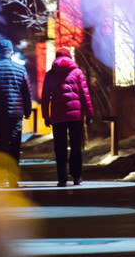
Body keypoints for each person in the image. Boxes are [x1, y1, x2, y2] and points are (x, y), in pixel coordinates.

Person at [0, 39, 32, 187]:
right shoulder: (21, 69)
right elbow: (26, 93)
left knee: (0, 145)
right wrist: (27, 111)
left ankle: (1, 178)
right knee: (15, 145)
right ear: (12, 53)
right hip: (15, 115)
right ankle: (14, 178)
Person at [41, 47, 93, 187]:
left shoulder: (50, 74)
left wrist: (46, 116)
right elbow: (84, 95)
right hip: (76, 116)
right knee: (76, 146)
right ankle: (76, 177)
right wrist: (89, 114)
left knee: (60, 147)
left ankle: (62, 178)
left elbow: (45, 97)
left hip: (58, 116)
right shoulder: (77, 72)